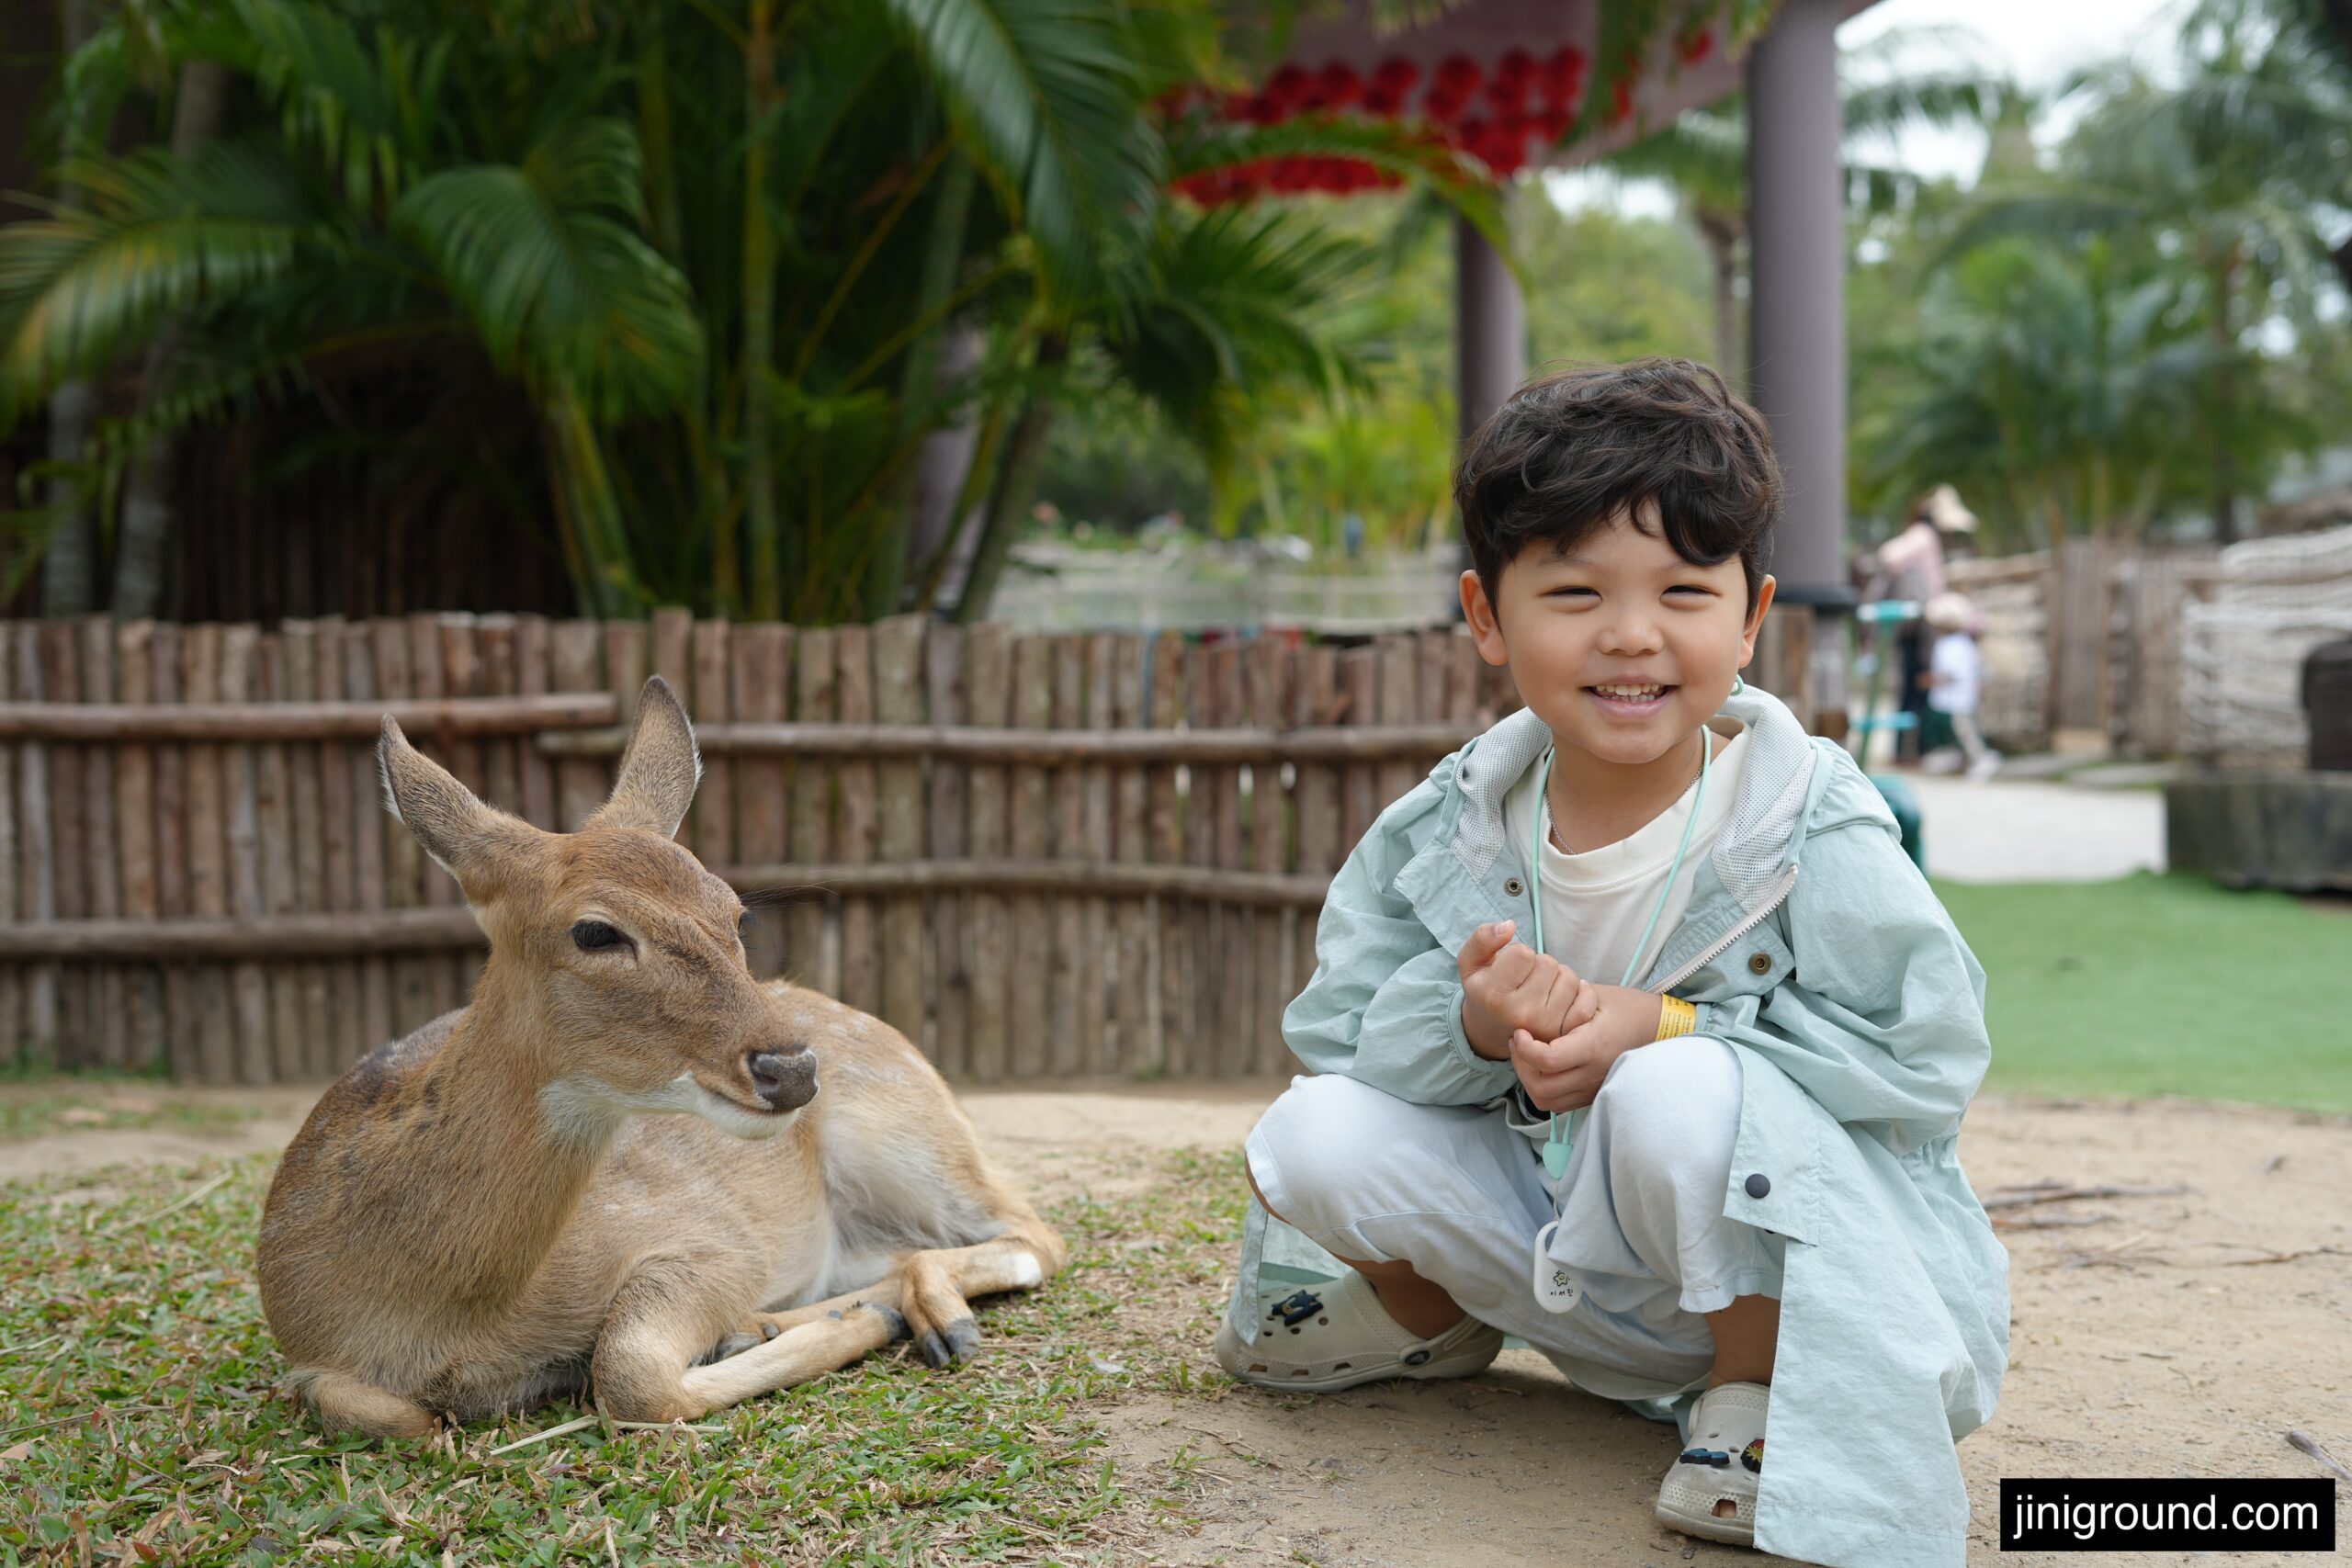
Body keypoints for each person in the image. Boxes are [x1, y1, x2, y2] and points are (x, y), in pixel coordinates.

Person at [1212, 360, 2008, 1568]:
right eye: (1575, 589)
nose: (1632, 631)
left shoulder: (1804, 815)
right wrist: (1476, 1029)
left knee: (1668, 1085)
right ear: (1486, 615)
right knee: (1311, 1129)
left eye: (1685, 590)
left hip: (1773, 1284)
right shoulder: (1452, 821)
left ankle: (1748, 1401)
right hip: (1545, 1255)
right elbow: (1340, 1034)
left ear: (1751, 616)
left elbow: (1927, 1048)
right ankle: (1426, 1319)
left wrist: (1672, 1021)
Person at [1872, 486, 1977, 764]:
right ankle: (1908, 752)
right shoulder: (1923, 535)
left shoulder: (1926, 537)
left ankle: (1911, 750)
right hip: (1916, 626)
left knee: (1915, 686)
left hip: (1918, 624)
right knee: (1915, 686)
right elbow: (1889, 555)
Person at [1920, 592, 2000, 782]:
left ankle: (1981, 757)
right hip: (1962, 696)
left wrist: (1929, 680)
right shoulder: (1965, 643)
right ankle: (1955, 758)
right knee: (1955, 728)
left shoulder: (1948, 645)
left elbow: (1949, 673)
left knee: (1964, 730)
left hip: (1957, 697)